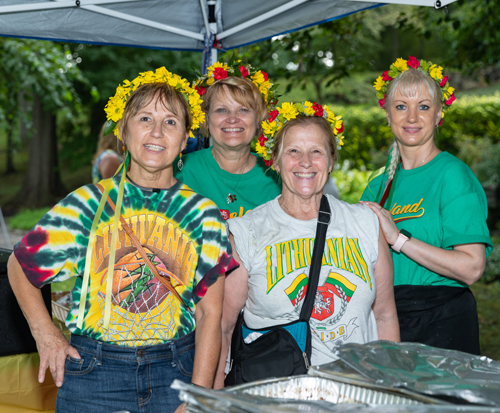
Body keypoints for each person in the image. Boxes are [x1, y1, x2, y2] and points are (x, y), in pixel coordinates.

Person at [8, 67, 238, 413]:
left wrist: (197, 395)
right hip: (94, 376)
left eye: (171, 122)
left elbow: (210, 313)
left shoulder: (203, 214)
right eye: (145, 118)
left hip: (174, 372)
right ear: (123, 131)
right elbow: (20, 265)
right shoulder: (85, 204)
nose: (157, 131)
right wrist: (45, 333)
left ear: (184, 139)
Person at [215, 102, 400, 388]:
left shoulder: (364, 223)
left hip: (356, 396)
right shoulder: (246, 231)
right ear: (275, 160)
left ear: (331, 160)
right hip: (275, 398)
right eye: (293, 151)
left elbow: (385, 315)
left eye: (316, 151)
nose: (305, 162)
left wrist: (391, 390)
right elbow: (223, 327)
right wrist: (215, 400)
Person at [361, 56, 493, 355]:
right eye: (401, 106)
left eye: (423, 106)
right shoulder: (377, 186)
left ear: (438, 115)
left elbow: (472, 267)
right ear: (388, 114)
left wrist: (399, 239)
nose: (411, 117)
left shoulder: (452, 175)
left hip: (443, 321)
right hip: (388, 320)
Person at [174, 62, 282, 220]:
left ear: (259, 119)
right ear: (206, 119)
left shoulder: (277, 176)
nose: (232, 119)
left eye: (243, 110)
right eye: (221, 110)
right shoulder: (180, 170)